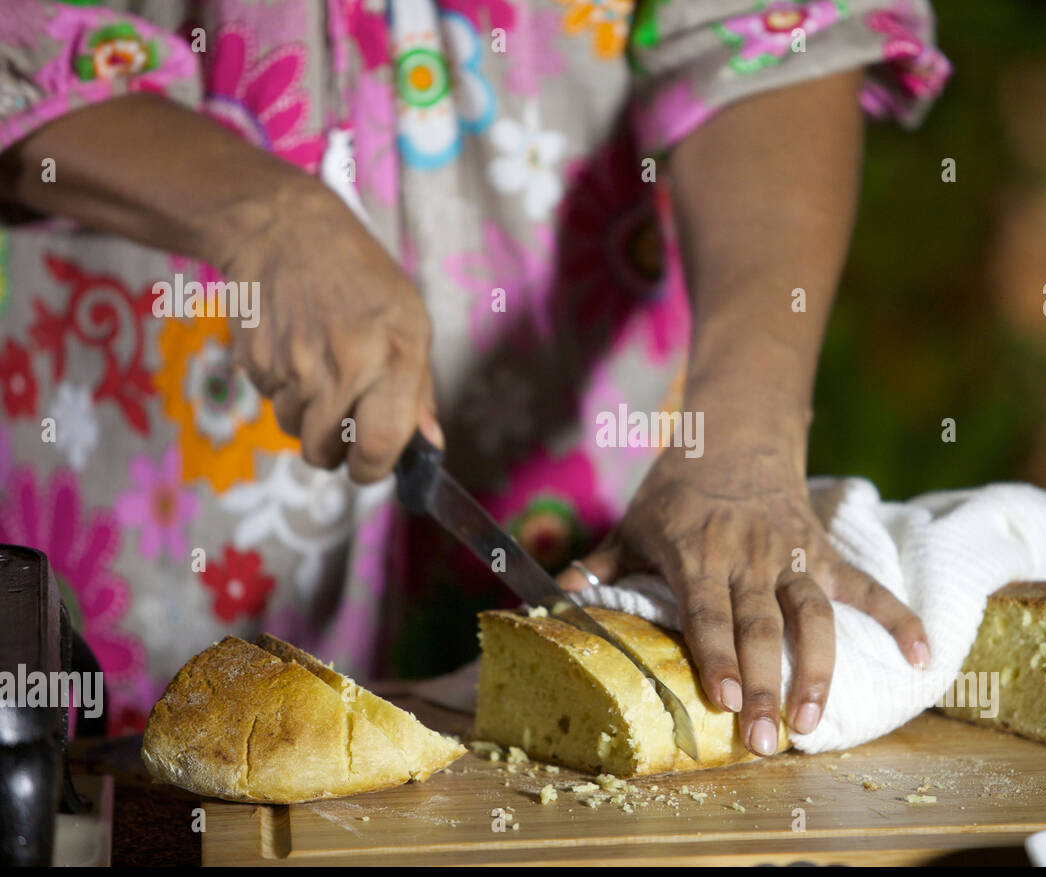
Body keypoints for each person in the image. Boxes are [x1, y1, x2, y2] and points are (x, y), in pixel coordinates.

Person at [0, 0, 949, 752]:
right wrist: (253, 213)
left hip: (612, 478)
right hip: (128, 482)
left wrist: (742, 446)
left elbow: (776, 29)